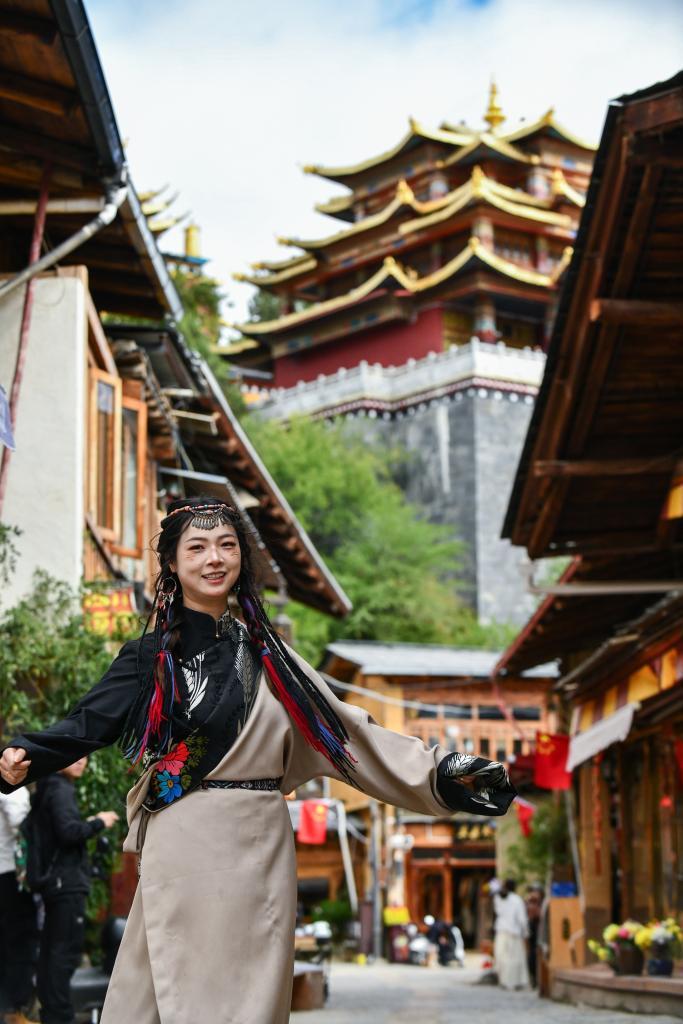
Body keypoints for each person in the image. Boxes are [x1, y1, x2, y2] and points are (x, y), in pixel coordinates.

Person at [0, 496, 516, 1023]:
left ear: (242, 558)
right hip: (183, 836)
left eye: (227, 545)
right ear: (172, 563)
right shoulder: (150, 657)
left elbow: (349, 735)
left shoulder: (270, 656)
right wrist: (26, 754)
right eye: (197, 548)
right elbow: (87, 723)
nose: (214, 558)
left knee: (248, 995)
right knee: (165, 983)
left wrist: (438, 774)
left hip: (258, 843)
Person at [32, 759, 118, 1024]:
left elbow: (60, 830)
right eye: (75, 756)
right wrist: (99, 822)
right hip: (66, 884)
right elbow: (69, 833)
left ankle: (51, 1014)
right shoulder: (60, 789)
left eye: (85, 756)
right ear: (59, 759)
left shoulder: (48, 787)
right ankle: (60, 1017)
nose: (82, 761)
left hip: (54, 884)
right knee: (65, 954)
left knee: (52, 952)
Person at [0, 788, 38, 1024]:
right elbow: (21, 823)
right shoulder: (10, 787)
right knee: (19, 941)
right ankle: (13, 1011)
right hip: (9, 874)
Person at [493, 878, 530, 990]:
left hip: (501, 932)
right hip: (514, 933)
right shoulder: (517, 900)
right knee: (514, 959)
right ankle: (515, 982)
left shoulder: (497, 898)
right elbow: (522, 918)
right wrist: (526, 932)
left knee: (502, 957)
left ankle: (504, 981)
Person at [525, 883, 544, 987]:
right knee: (532, 954)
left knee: (539, 953)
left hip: (540, 928)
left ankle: (538, 978)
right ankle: (533, 978)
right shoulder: (529, 902)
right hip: (532, 928)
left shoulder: (542, 903)